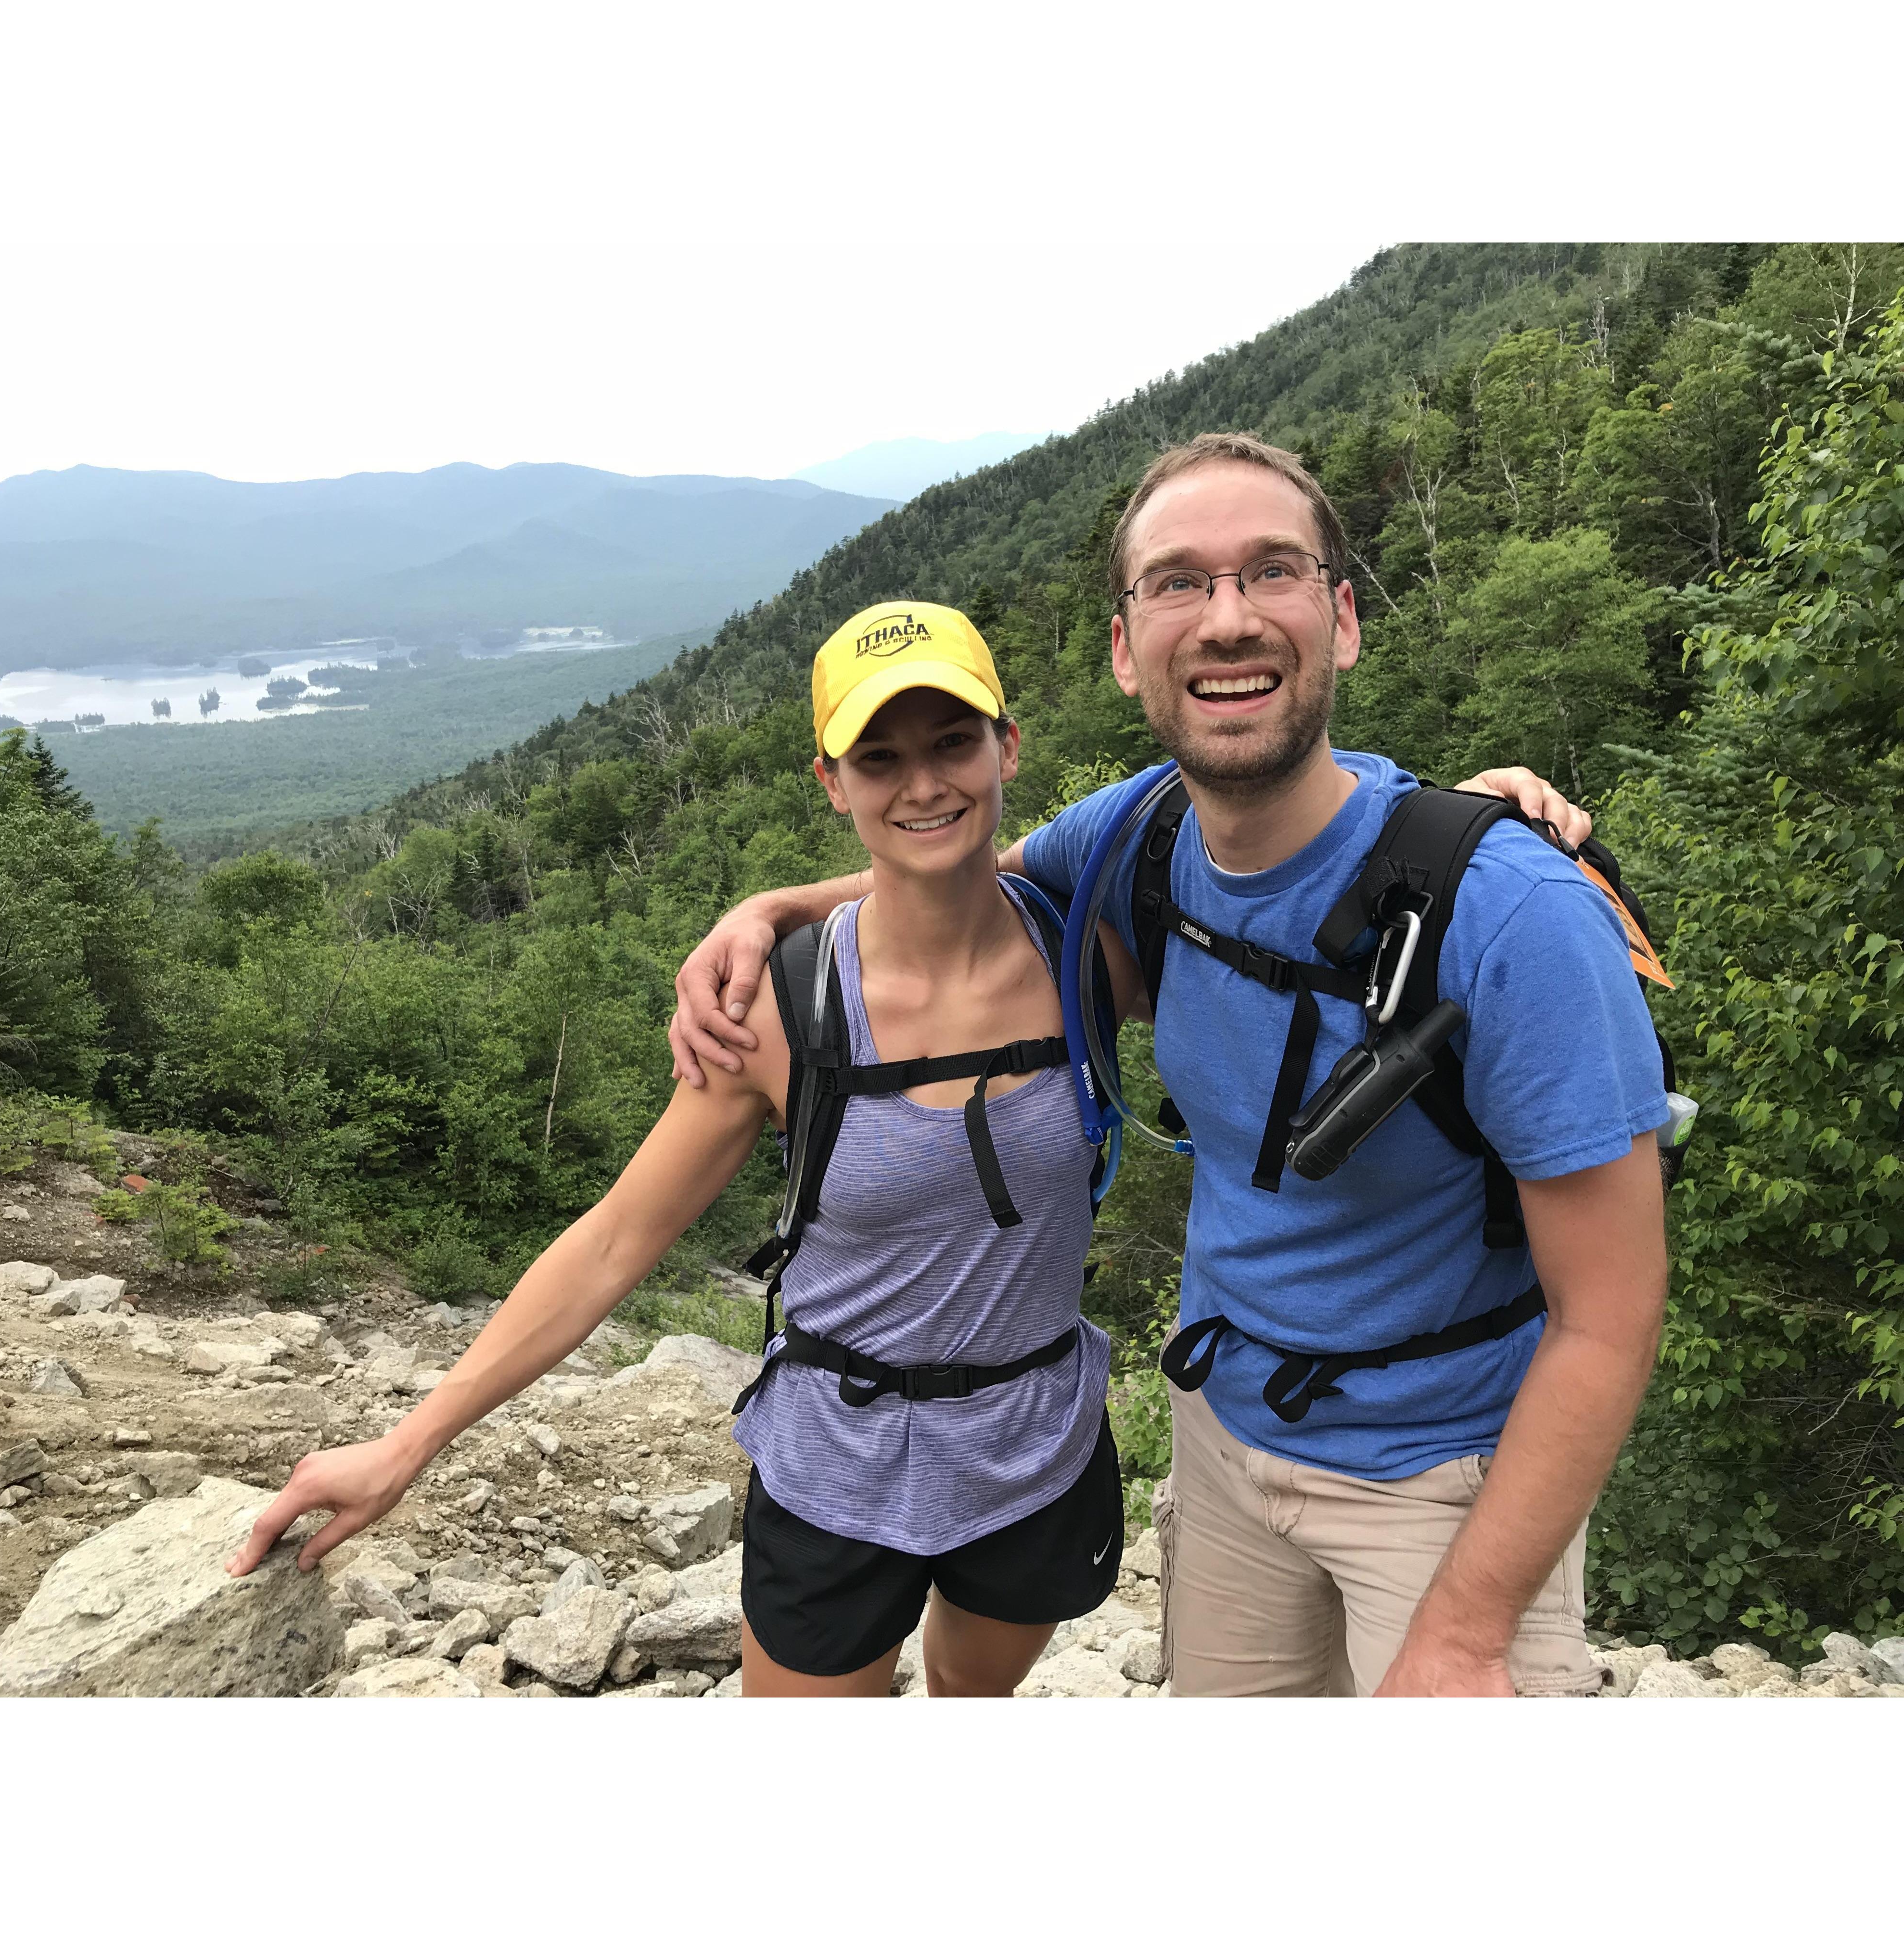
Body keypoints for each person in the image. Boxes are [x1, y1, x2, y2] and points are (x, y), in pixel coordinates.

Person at [669, 434, 1670, 1697]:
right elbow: (948, 866)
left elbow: (1612, 1313)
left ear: (1344, 619)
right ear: (1125, 646)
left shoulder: (1519, 916)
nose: (1229, 619)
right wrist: (768, 911)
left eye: (1273, 573)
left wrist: (1467, 1632)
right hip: (1224, 1442)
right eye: (1180, 584)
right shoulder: (1139, 834)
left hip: (1446, 1483)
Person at [230, 603, 1144, 1697]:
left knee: (969, 1702)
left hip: (1035, 1446)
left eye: (954, 742)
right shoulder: (778, 1013)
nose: (924, 785)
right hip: (836, 1465)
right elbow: (616, 1241)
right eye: (880, 758)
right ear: (831, 783)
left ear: (1008, 745)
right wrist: (407, 1443)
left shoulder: (1090, 950)